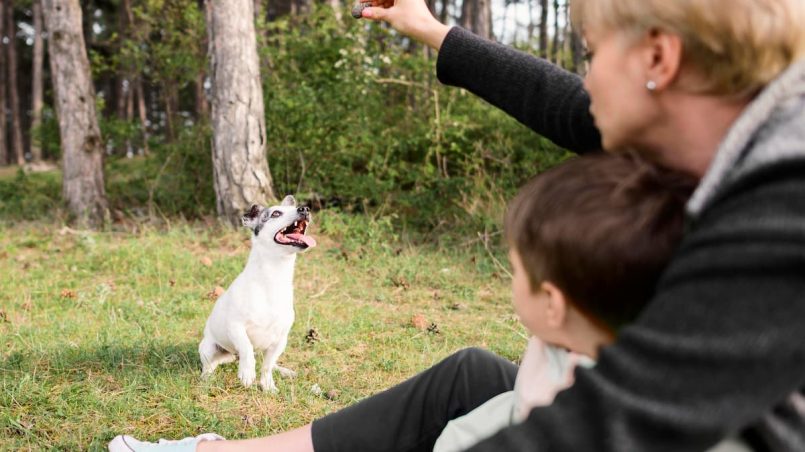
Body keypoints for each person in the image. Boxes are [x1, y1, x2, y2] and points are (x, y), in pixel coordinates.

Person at [111, 0, 805, 450]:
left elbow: (625, 421)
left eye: (590, 52)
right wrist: (431, 30)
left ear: (658, 59)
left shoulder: (783, 202)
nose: (584, 76)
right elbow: (567, 106)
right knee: (468, 376)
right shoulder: (732, 129)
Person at [434, 153, 698, 452]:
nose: (512, 279)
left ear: (553, 305)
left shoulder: (559, 413)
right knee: (466, 367)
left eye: (516, 270)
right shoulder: (602, 351)